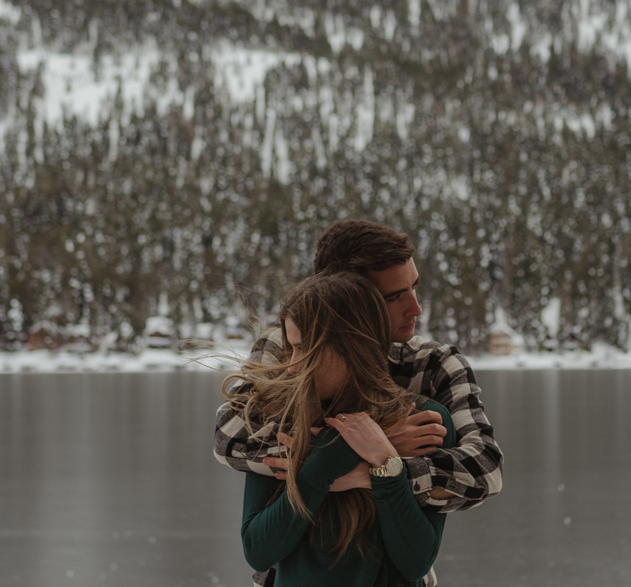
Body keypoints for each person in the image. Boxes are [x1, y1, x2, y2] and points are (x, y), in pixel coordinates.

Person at [215, 219, 503, 587]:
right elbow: (229, 437)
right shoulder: (291, 349)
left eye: (414, 288)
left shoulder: (433, 366)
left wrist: (377, 469)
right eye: (395, 296)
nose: (416, 308)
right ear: (349, 295)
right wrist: (368, 444)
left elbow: (485, 471)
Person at [224, 273, 457, 586]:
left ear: (352, 344)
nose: (292, 367)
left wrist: (387, 464)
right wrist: (328, 459)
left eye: (304, 348)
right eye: (291, 348)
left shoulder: (425, 422)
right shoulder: (279, 419)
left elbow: (416, 561)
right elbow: (259, 550)